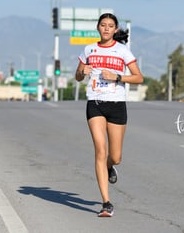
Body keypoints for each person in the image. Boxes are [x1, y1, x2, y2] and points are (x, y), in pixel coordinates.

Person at [75, 13, 143, 217]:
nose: (106, 28)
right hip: (95, 103)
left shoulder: (122, 51)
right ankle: (106, 202)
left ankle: (109, 167)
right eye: (102, 25)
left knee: (115, 156)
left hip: (116, 105)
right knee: (99, 150)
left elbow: (139, 77)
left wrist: (117, 76)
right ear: (97, 28)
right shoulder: (88, 49)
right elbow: (78, 77)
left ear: (115, 30)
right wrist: (83, 71)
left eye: (110, 26)